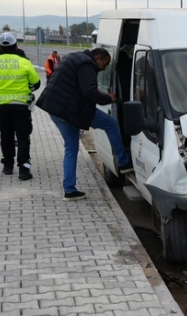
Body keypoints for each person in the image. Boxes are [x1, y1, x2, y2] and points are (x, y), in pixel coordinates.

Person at [35, 48, 133, 201]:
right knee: (112, 124)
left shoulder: (73, 57)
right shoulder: (87, 64)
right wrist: (108, 98)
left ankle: (69, 190)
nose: (104, 68)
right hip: (71, 110)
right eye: (105, 64)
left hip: (55, 109)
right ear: (98, 58)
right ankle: (124, 162)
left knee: (71, 149)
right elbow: (89, 91)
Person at [0, 33, 41, 180]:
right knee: (23, 136)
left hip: (2, 107)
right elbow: (36, 83)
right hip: (21, 106)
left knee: (6, 136)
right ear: (16, 46)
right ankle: (24, 169)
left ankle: (8, 166)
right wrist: (27, 90)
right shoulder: (24, 62)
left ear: (0, 47)